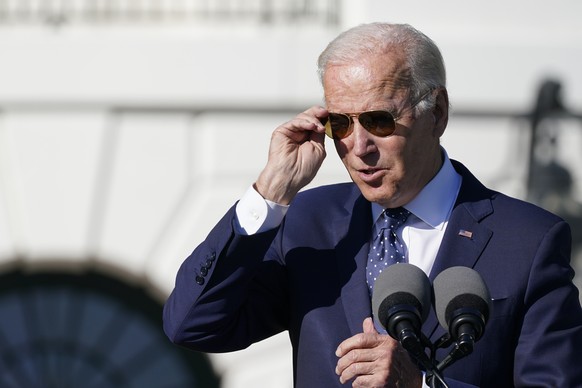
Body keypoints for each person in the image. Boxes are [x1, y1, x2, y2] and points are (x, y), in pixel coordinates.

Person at [163, 22, 582, 387]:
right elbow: (193, 325)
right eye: (340, 123)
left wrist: (419, 386)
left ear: (436, 113)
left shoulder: (528, 241)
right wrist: (269, 194)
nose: (358, 147)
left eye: (379, 120)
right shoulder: (306, 222)